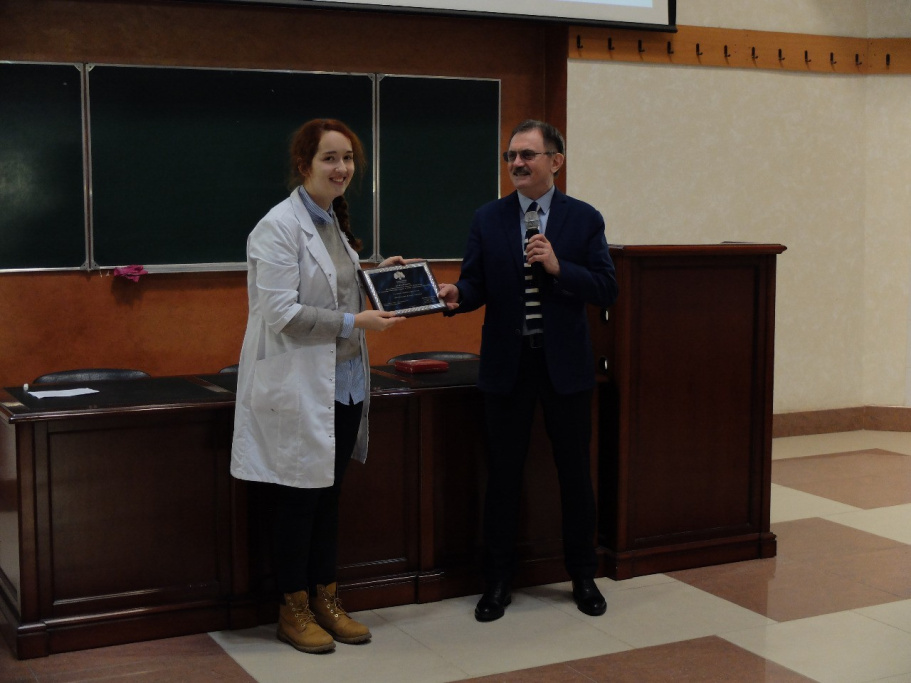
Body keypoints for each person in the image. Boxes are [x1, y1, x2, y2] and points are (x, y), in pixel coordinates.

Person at [231, 119, 412, 654]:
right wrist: (356, 322)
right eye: (330, 158)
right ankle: (293, 610)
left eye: (348, 158)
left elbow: (332, 289)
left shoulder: (331, 220)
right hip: (301, 386)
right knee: (299, 501)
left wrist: (375, 277)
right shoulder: (277, 227)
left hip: (346, 384)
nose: (342, 168)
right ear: (303, 165)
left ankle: (326, 600)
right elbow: (282, 313)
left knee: (328, 498)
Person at [437, 119, 618, 622]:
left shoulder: (583, 219)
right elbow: (474, 284)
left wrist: (559, 268)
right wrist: (456, 295)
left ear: (555, 161)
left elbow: (606, 288)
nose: (516, 163)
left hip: (565, 367)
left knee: (575, 474)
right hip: (507, 366)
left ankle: (583, 576)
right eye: (511, 156)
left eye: (527, 155)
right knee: (503, 475)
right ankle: (497, 582)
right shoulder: (488, 218)